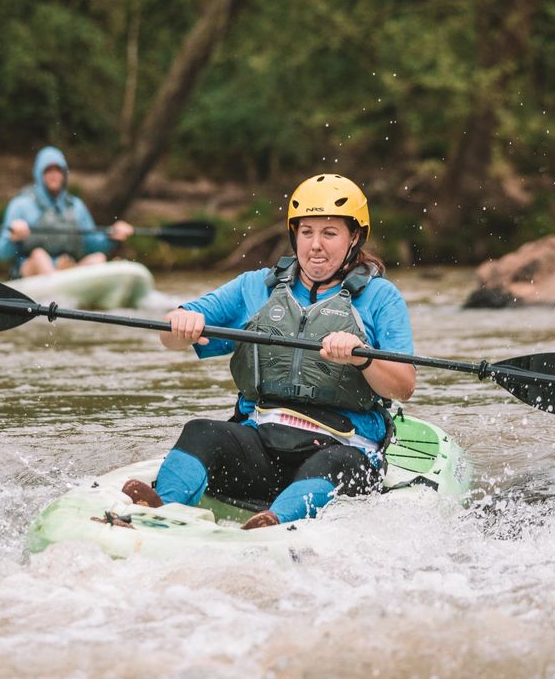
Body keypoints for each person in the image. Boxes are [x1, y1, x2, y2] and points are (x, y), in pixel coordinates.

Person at [120, 173, 416, 530]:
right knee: (202, 431)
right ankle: (159, 510)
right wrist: (181, 325)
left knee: (329, 463)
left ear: (354, 237)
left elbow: (403, 387)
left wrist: (362, 356)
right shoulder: (255, 288)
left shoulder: (380, 298)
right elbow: (171, 334)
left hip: (344, 449)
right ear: (294, 235)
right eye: (306, 232)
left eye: (329, 233)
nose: (315, 245)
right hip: (264, 444)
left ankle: (273, 523)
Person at [0, 146, 133, 278]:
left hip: (67, 268)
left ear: (64, 173)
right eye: (48, 170)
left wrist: (111, 235)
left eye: (58, 170)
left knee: (99, 258)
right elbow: (2, 253)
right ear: (39, 173)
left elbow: (90, 243)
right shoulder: (21, 205)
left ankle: (70, 287)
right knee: (39, 255)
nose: (54, 175)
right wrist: (13, 238)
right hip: (30, 270)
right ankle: (56, 285)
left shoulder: (76, 206)